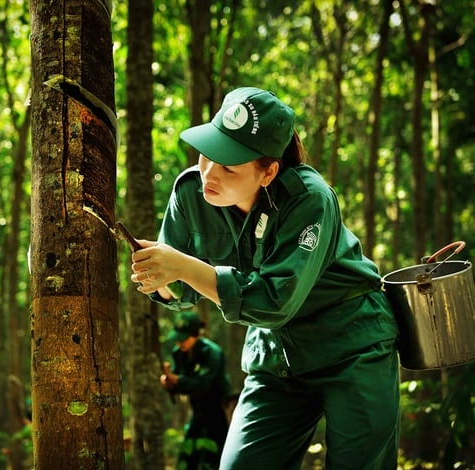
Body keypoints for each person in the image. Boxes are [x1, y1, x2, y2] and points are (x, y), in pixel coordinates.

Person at [129, 87, 400, 469]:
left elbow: (273, 301)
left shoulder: (308, 198)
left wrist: (186, 268)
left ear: (269, 171)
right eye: (207, 155)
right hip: (277, 359)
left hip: (351, 346)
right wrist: (162, 280)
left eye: (229, 167)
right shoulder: (191, 192)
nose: (209, 173)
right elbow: (179, 290)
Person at [161, 311, 231, 470]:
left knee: (213, 459)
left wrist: (175, 379)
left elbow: (202, 385)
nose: (180, 343)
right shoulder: (178, 353)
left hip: (217, 413)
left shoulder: (212, 353)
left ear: (196, 335)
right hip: (197, 413)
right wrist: (169, 383)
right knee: (186, 460)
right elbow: (179, 383)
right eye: (178, 338)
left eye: (184, 338)